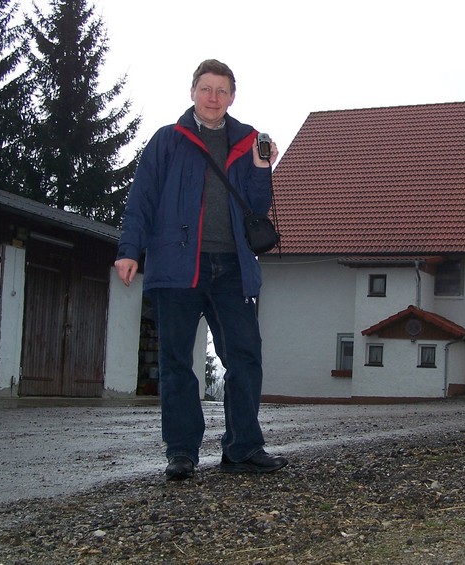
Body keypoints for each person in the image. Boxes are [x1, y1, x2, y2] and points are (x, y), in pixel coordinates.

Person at [114, 59, 287, 480]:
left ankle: (243, 447)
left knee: (245, 355)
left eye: (222, 90)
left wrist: (264, 167)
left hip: (231, 267)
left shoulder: (247, 142)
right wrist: (129, 249)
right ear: (192, 92)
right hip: (177, 267)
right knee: (176, 361)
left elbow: (257, 206)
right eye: (206, 89)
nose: (214, 97)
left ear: (232, 96)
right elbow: (142, 200)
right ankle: (182, 453)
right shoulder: (166, 141)